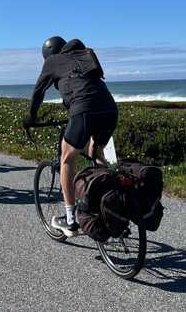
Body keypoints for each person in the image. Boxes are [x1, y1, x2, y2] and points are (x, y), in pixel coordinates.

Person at [23, 37, 118, 237]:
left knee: (67, 159)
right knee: (93, 151)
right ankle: (111, 201)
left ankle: (71, 221)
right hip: (109, 110)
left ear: (48, 55)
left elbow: (38, 91)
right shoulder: (83, 56)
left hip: (83, 110)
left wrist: (31, 117)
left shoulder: (52, 61)